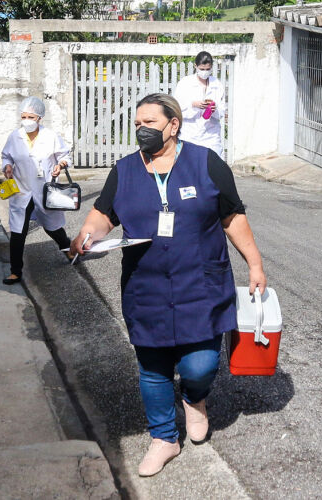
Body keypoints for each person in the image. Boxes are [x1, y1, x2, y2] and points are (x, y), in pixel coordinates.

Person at [71, 93, 266, 477]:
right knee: (153, 366)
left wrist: (255, 264)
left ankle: (195, 398)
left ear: (173, 125)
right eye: (138, 124)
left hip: (201, 284)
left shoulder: (207, 164)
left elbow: (232, 217)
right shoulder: (125, 170)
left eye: (150, 123)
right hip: (147, 289)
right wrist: (87, 235)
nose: (142, 130)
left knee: (201, 364)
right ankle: (163, 438)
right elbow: (102, 215)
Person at [0, 97, 76, 285]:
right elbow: (6, 156)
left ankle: (67, 248)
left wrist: (60, 164)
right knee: (18, 231)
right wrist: (7, 166)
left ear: (39, 118)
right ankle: (15, 272)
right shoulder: (14, 136)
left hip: (44, 188)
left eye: (30, 117)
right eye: (23, 116)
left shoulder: (50, 136)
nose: (26, 120)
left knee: (52, 226)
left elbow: (65, 155)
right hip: (21, 190)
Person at [173, 51, 227, 158]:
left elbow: (222, 111)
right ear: (195, 66)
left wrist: (213, 109)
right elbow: (176, 108)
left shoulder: (217, 84)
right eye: (202, 69)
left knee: (212, 167)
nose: (205, 72)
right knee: (189, 167)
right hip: (189, 134)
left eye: (208, 69)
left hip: (211, 135)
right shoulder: (185, 83)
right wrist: (193, 105)